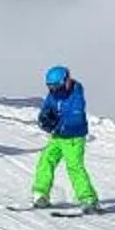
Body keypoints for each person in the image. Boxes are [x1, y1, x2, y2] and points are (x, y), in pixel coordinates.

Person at [30, 65, 100, 212]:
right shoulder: (53, 94)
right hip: (58, 137)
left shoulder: (76, 93)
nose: (54, 90)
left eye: (57, 86)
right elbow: (46, 108)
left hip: (74, 138)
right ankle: (41, 194)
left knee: (74, 166)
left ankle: (88, 199)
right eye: (50, 87)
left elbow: (74, 116)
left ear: (66, 81)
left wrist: (57, 123)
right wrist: (44, 119)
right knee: (46, 160)